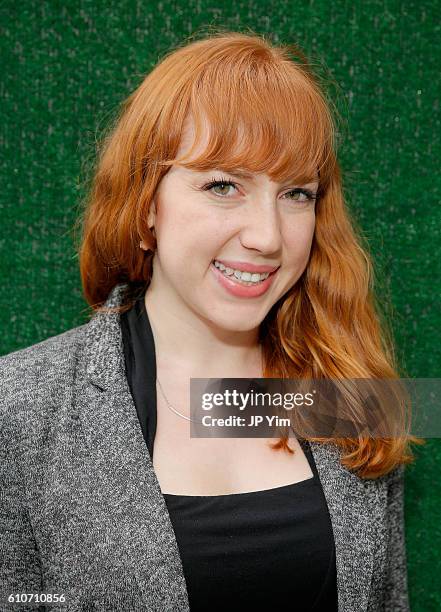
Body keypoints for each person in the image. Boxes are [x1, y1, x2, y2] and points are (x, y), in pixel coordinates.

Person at [0, 30, 420, 612]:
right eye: (223, 186)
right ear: (146, 206)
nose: (268, 237)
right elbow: (20, 597)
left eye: (296, 193)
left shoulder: (351, 394)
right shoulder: (19, 406)